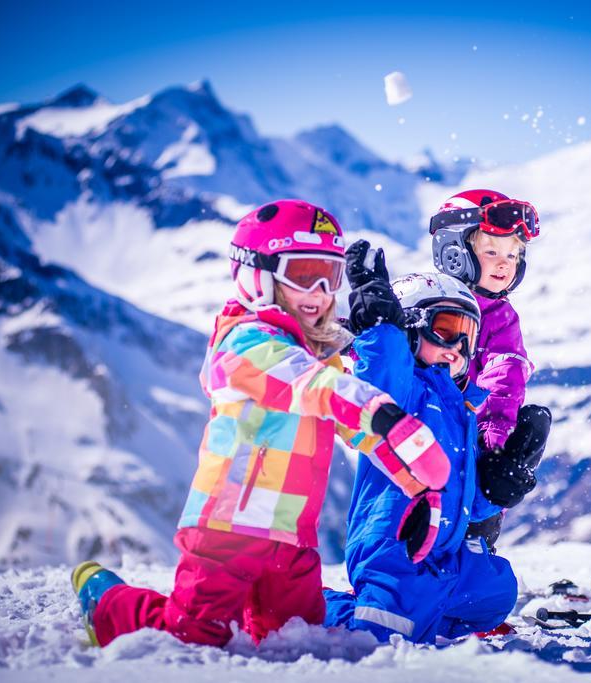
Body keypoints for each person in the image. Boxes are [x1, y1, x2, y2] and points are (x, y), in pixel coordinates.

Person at [70, 200, 451, 648]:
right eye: (303, 274)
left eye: (329, 277)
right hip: (227, 528)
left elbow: (356, 426)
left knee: (296, 638)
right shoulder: (246, 344)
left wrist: (419, 486)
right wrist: (382, 413)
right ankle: (106, 601)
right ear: (257, 274)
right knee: (194, 633)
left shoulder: (315, 356)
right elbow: (315, 388)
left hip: (293, 537)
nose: (319, 291)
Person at [324, 241, 535, 642]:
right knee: (380, 633)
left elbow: (464, 493)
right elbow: (381, 374)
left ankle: (428, 611)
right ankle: (315, 604)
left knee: (496, 593)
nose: (458, 349)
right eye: (447, 330)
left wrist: (498, 487)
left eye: (468, 336)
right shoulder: (404, 395)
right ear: (410, 331)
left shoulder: (461, 410)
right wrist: (381, 327)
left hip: (448, 553)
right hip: (397, 550)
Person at [429, 189, 552, 549]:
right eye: (492, 252)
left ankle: (475, 547)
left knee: (470, 554)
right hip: (423, 439)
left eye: (514, 255)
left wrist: (496, 434)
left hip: (476, 441)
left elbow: (505, 373)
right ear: (454, 253)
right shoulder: (422, 300)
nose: (505, 264)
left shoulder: (500, 318)